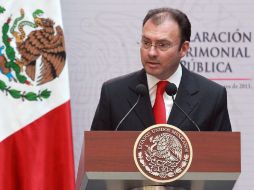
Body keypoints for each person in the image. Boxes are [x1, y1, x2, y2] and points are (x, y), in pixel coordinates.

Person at [90, 7, 232, 131]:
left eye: (162, 45)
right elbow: (96, 153)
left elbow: (223, 157)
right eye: (146, 43)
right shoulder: (114, 93)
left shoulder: (211, 96)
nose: (151, 52)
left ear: (183, 49)